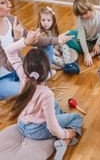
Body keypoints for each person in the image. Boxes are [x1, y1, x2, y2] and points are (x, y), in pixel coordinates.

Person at [4, 31, 83, 160]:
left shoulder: (23, 77)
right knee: (77, 118)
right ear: (46, 71)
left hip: (22, 124)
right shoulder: (47, 94)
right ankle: (63, 144)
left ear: (26, 67)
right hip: (38, 131)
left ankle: (62, 122)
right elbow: (52, 127)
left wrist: (24, 42)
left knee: (56, 105)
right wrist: (65, 133)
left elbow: (9, 51)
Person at [0, 0, 71, 99]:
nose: (10, 5)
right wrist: (18, 40)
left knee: (48, 47)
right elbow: (10, 65)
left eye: (8, 0)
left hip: (21, 66)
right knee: (16, 89)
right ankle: (37, 80)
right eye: (3, 2)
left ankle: (34, 82)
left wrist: (56, 40)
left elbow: (35, 40)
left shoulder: (12, 20)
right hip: (4, 76)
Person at [73, 0, 100, 66]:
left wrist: (98, 44)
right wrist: (86, 53)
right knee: (82, 47)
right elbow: (82, 38)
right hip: (86, 41)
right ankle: (93, 52)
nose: (84, 17)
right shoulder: (80, 20)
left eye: (85, 13)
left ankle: (93, 53)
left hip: (96, 39)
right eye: (81, 15)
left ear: (90, 7)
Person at [36, 6, 77, 70]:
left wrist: (59, 45)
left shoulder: (53, 30)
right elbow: (46, 47)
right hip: (46, 51)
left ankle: (68, 63)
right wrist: (55, 52)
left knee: (65, 46)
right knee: (52, 57)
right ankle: (65, 64)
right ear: (40, 20)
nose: (45, 23)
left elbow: (56, 40)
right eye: (43, 20)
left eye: (48, 20)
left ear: (53, 21)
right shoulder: (40, 33)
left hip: (54, 46)